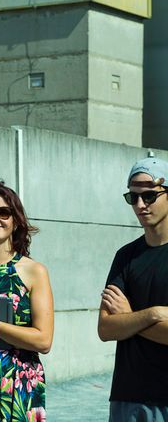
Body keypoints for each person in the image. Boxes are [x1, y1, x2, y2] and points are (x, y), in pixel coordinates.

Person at [0, 180, 54, 422]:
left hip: (20, 381)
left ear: (15, 221)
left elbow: (44, 340)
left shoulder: (33, 271)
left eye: (3, 212)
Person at [98, 157, 168, 422]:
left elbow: (119, 323)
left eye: (149, 196)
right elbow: (106, 329)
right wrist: (151, 314)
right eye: (133, 197)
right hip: (128, 398)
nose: (140, 205)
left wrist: (128, 317)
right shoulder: (125, 256)